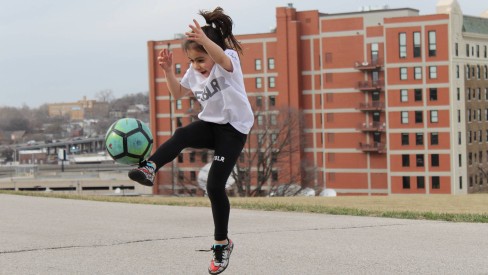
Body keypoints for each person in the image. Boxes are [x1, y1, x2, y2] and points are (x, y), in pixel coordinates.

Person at [128, 7, 253, 274]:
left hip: (234, 130)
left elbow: (219, 56)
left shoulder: (227, 59)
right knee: (182, 134)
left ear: (212, 51)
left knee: (214, 186)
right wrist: (166, 70)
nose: (197, 66)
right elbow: (176, 93)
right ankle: (149, 168)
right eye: (192, 61)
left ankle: (222, 244)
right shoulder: (194, 71)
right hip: (211, 125)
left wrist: (207, 42)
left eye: (200, 60)